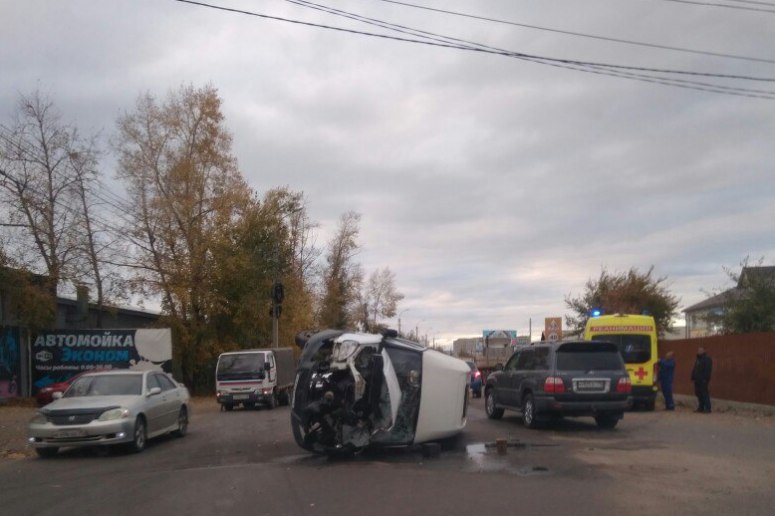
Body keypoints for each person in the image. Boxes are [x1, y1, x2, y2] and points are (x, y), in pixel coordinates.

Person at [691, 347, 713, 413]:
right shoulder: (698, 359)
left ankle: (708, 408)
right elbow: (695, 368)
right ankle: (701, 407)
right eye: (698, 350)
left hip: (703, 380)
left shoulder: (707, 359)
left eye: (700, 350)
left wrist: (705, 379)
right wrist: (693, 376)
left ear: (704, 351)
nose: (699, 351)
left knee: (704, 393)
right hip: (697, 380)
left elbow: (708, 369)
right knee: (698, 393)